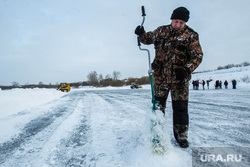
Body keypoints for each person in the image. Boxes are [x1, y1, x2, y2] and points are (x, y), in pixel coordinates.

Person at [135, 7, 203, 148]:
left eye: (181, 23)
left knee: (180, 108)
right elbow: (147, 39)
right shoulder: (161, 31)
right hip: (160, 78)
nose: (178, 25)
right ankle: (157, 133)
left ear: (185, 23)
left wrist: (187, 69)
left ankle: (181, 136)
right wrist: (141, 33)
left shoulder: (191, 35)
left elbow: (197, 56)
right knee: (158, 107)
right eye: (176, 21)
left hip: (180, 80)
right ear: (172, 19)